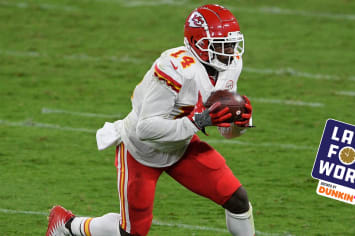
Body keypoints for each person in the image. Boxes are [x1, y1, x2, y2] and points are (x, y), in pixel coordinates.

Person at [46, 4, 255, 236]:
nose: (229, 50)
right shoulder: (173, 68)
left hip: (181, 147)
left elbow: (226, 130)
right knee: (132, 233)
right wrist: (198, 122)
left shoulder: (230, 64)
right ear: (199, 43)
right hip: (140, 151)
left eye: (231, 42)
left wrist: (239, 123)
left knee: (238, 200)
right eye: (221, 44)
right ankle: (66, 225)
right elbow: (146, 128)